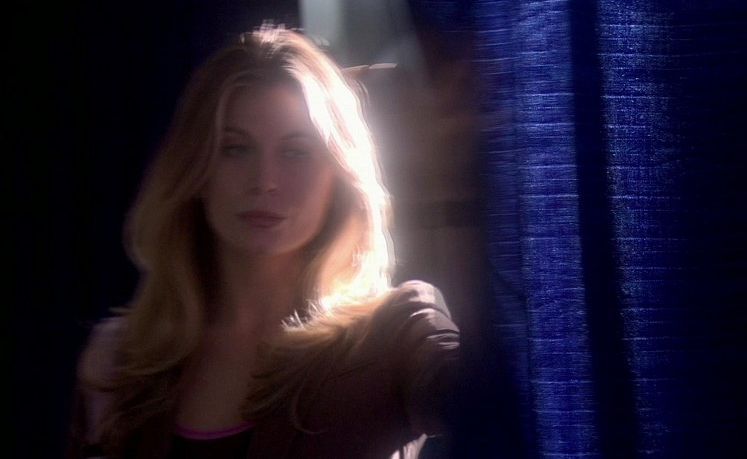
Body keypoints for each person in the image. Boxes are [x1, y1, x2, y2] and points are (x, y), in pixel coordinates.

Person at [66, 23, 460, 459]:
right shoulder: (122, 358)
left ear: (337, 178)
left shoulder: (396, 332)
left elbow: (496, 402)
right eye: (235, 149)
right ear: (198, 170)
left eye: (295, 152)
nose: (264, 181)